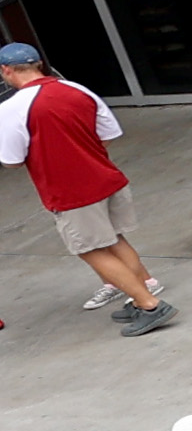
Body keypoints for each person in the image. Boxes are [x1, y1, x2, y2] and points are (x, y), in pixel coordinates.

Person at [0, 45, 169, 329]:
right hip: (107, 178)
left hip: (70, 192)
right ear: (39, 64)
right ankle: (143, 289)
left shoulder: (10, 110)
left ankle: (149, 305)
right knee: (115, 239)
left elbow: (12, 161)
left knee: (91, 250)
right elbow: (109, 134)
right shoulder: (78, 90)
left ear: (6, 70)